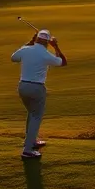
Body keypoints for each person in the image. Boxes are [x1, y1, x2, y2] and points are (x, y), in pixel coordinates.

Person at [10, 29, 68, 160]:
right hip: (37, 88)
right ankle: (28, 150)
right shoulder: (45, 54)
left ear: (36, 39)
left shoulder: (26, 49)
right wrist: (56, 46)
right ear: (47, 42)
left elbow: (13, 58)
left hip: (22, 86)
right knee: (36, 116)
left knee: (31, 113)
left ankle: (31, 141)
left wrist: (30, 42)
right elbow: (63, 62)